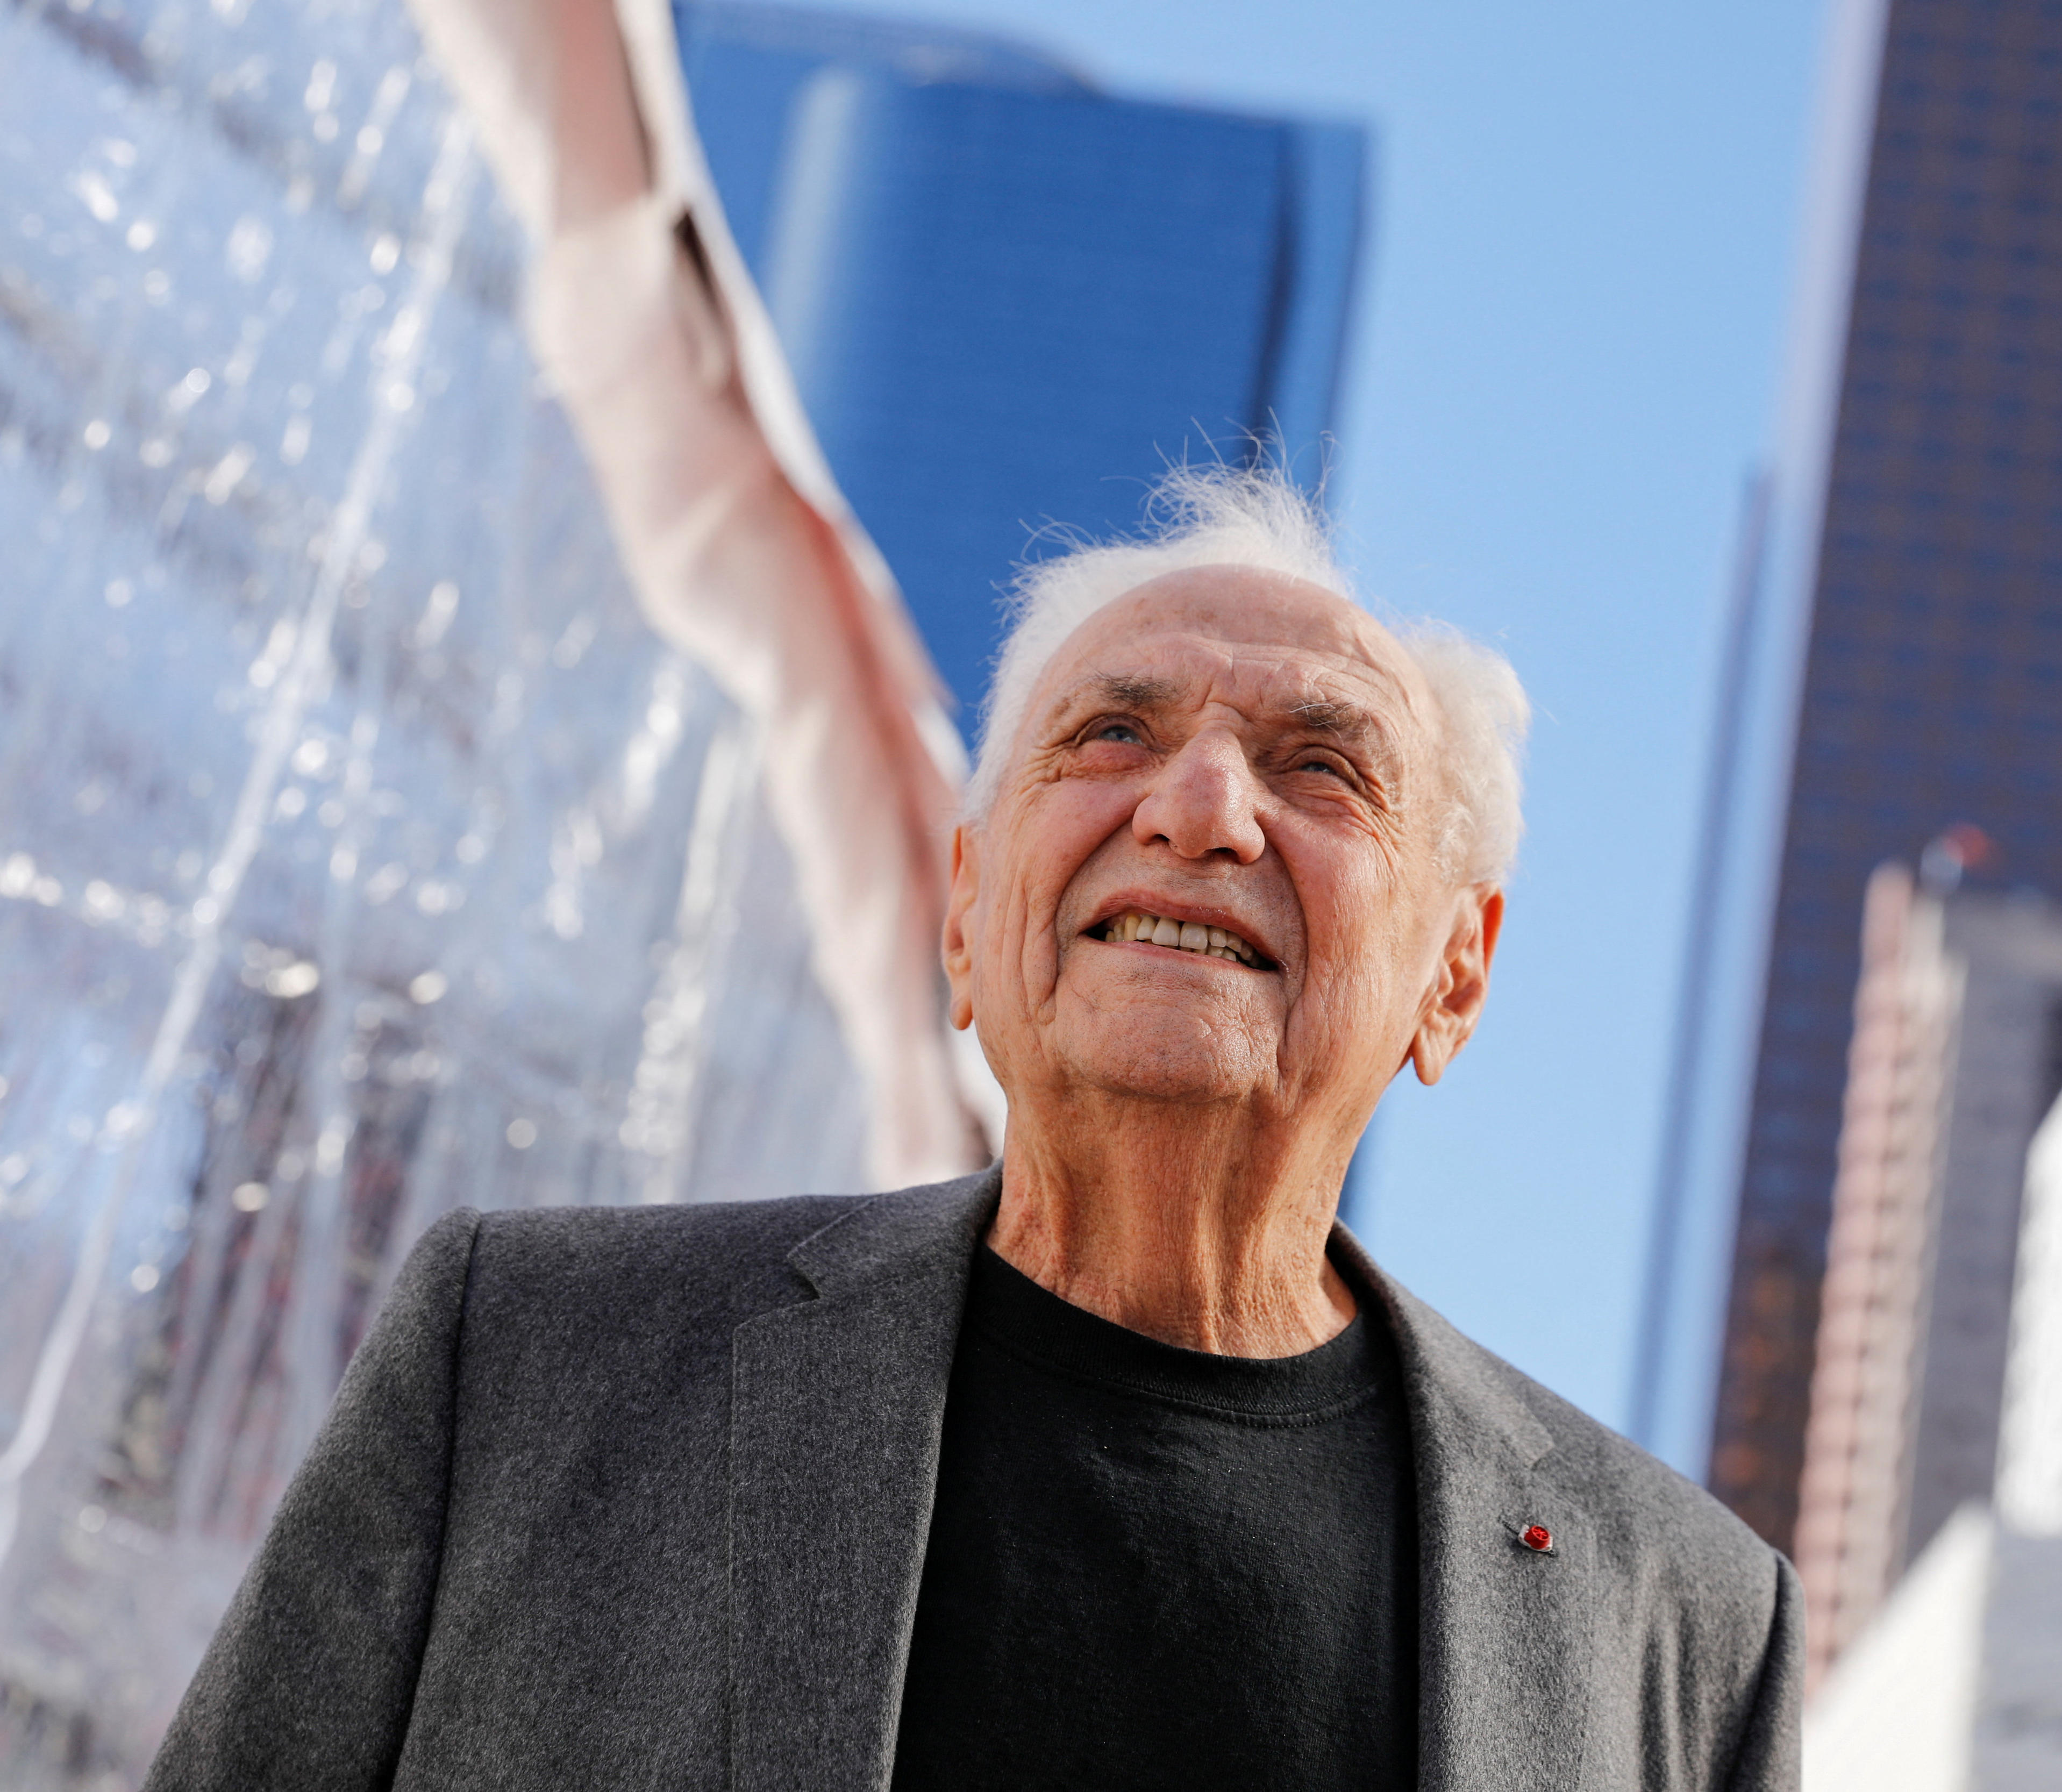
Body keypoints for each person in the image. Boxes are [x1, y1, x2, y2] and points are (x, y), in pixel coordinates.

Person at [146, 470, 1802, 1790]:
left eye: (1318, 768)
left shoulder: (1685, 1635)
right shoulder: (523, 1360)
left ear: (1458, 976)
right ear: (964, 916)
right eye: (1111, 735)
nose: (1199, 808)